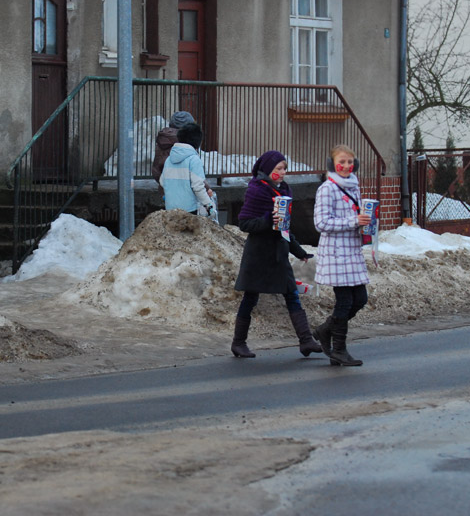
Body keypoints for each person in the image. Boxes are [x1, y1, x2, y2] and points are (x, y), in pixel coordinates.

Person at [231, 150, 322, 359]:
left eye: (284, 168)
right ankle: (238, 342)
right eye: (278, 169)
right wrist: (268, 220)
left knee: (291, 294)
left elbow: (285, 228)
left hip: (278, 254)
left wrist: (299, 251)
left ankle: (306, 340)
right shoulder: (256, 191)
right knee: (250, 297)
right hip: (258, 255)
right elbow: (245, 223)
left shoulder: (284, 191)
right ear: (267, 170)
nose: (282, 173)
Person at [312, 144, 371, 366]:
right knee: (345, 301)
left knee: (360, 299)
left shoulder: (354, 186)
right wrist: (353, 221)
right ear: (332, 164)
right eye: (342, 161)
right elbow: (321, 223)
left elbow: (354, 216)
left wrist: (365, 224)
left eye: (350, 162)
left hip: (352, 250)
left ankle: (326, 330)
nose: (346, 166)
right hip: (336, 253)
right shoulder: (327, 188)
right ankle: (339, 349)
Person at [159, 122, 216, 218]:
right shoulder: (194, 159)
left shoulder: (169, 159)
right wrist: (208, 206)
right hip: (189, 211)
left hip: (170, 210)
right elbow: (198, 187)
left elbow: (162, 181)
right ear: (198, 142)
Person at [154, 112, 213, 200]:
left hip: (167, 191)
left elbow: (156, 169)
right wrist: (207, 188)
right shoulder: (186, 141)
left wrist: (165, 185)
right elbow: (194, 174)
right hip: (186, 192)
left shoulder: (162, 139)